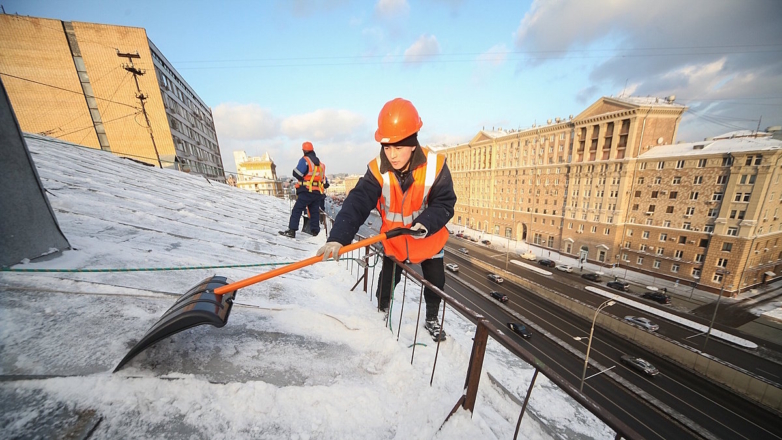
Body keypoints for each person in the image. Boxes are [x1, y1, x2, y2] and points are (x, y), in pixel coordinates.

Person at [316, 98, 456, 341]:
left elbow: (444, 203)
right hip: (395, 241)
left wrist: (425, 223)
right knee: (387, 282)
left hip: (429, 240)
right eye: (387, 147)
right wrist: (338, 237)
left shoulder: (435, 166)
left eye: (398, 148)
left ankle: (432, 319)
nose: (392, 155)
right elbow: (358, 201)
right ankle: (382, 311)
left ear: (413, 143)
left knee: (435, 284)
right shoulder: (377, 169)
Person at [279, 141, 326, 238]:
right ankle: (315, 232)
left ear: (304, 150)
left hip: (306, 190)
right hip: (317, 192)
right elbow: (324, 181)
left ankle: (292, 230)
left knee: (297, 210)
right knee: (314, 212)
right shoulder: (321, 164)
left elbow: (297, 173)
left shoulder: (305, 160)